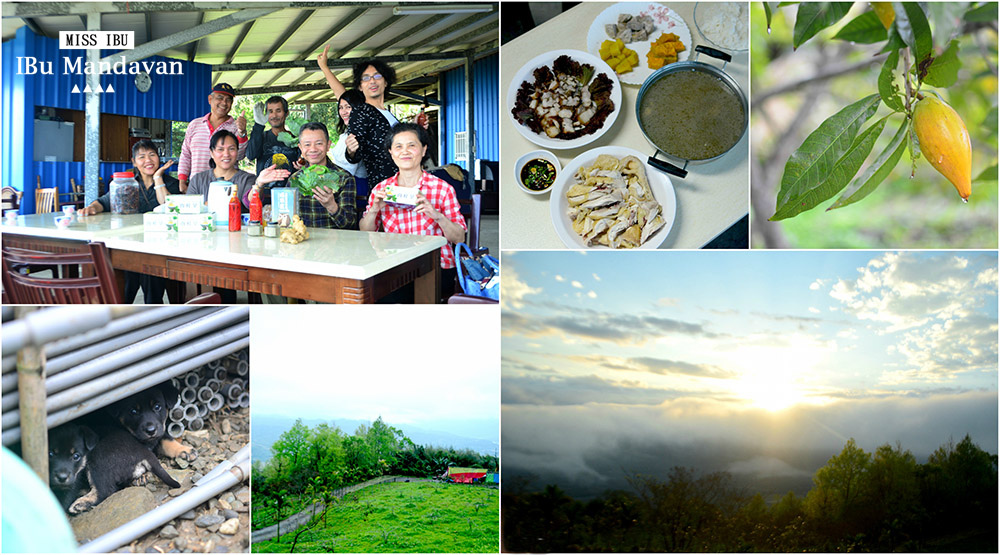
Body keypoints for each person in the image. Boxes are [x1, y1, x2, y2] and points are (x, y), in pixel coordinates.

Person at [360, 123, 466, 301]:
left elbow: (459, 238)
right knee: (371, 294)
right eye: (398, 146)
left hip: (435, 265)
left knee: (404, 297)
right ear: (391, 152)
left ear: (423, 150)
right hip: (394, 264)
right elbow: (365, 232)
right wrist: (374, 210)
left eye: (412, 145)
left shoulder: (442, 188)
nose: (405, 151)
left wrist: (437, 215)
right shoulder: (382, 189)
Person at [79, 139, 179, 303]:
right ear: (134, 161)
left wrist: (158, 178)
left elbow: (171, 206)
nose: (148, 160)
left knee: (151, 274)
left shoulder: (171, 184)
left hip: (159, 246)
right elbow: (103, 202)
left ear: (158, 158)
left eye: (152, 155)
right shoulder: (127, 183)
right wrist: (90, 208)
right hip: (130, 243)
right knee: (126, 280)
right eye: (142, 157)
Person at [317, 49, 398, 187]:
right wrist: (351, 151)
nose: (372, 81)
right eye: (366, 78)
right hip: (384, 187)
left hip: (401, 182)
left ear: (386, 82)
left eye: (377, 76)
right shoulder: (362, 111)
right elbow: (342, 96)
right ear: (360, 86)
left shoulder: (387, 114)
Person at [177, 83, 248, 192]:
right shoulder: (194, 124)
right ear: (210, 99)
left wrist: (242, 132)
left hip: (227, 186)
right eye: (220, 98)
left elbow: (239, 156)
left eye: (228, 100)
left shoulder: (236, 127)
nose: (224, 103)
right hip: (197, 185)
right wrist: (182, 181)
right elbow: (186, 154)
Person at [287, 122, 356, 229]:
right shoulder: (295, 179)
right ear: (300, 148)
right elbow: (286, 218)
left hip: (334, 242)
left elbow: (349, 224)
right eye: (307, 144)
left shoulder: (344, 178)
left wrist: (331, 206)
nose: (313, 149)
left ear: (328, 145)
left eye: (319, 143)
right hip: (302, 240)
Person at [185, 130, 257, 208]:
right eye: (220, 149)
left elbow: (251, 203)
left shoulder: (248, 179)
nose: (226, 154)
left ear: (237, 151)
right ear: (211, 153)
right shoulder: (198, 180)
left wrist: (259, 184)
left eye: (231, 149)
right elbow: (190, 208)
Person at [245, 95, 299, 191]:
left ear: (286, 113)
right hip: (265, 195)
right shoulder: (261, 136)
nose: (274, 115)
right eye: (270, 111)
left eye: (278, 111)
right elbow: (250, 155)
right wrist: (258, 125)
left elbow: (304, 163)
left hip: (291, 194)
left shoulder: (295, 139)